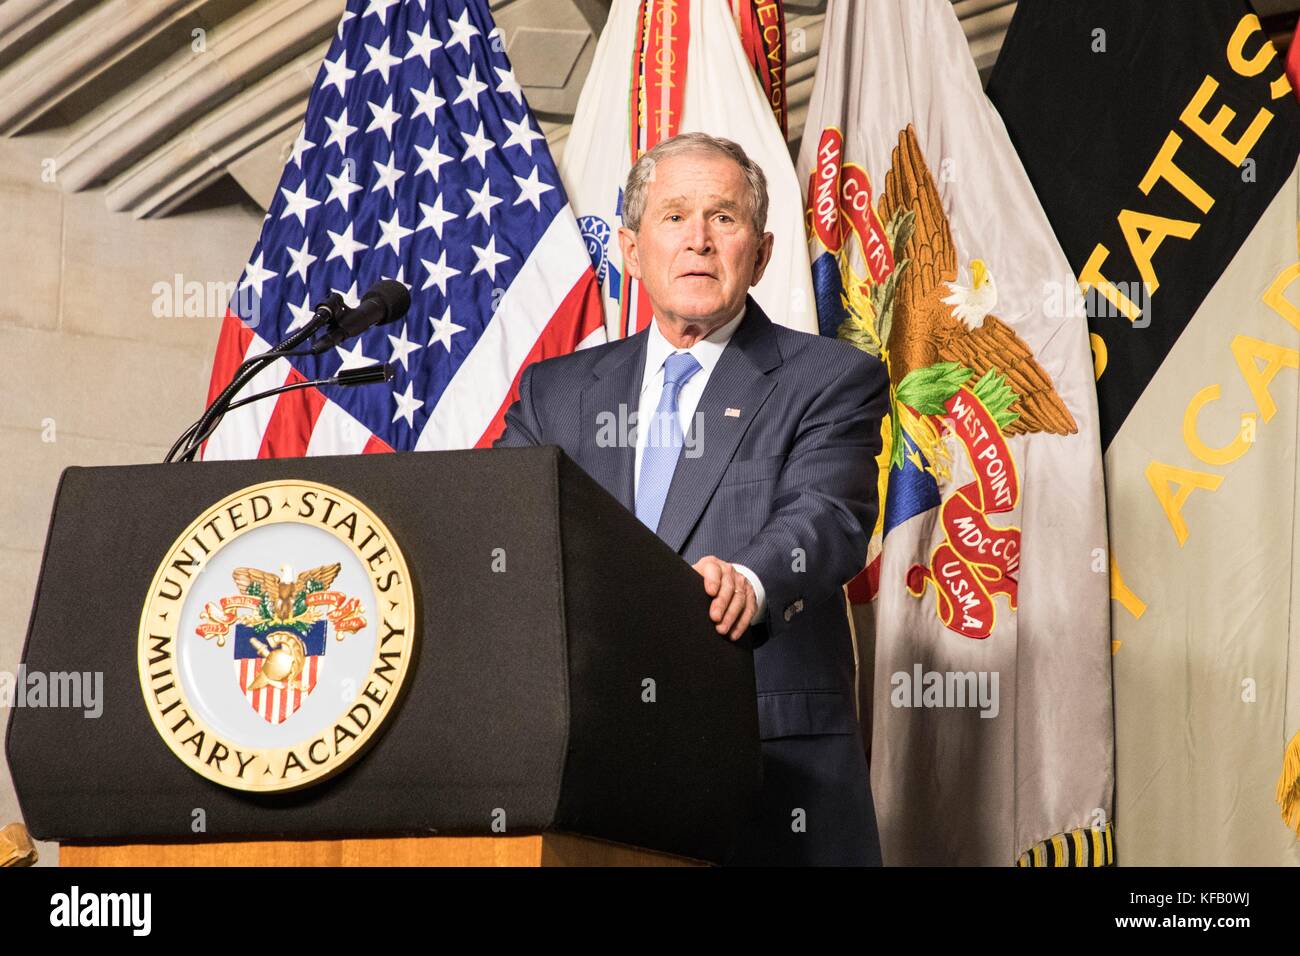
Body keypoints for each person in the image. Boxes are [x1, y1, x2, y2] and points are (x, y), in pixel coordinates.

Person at [495, 131, 888, 865]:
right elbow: (503, 524)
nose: (699, 241)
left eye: (725, 218)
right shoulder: (557, 393)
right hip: (593, 764)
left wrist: (750, 578)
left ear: (762, 253)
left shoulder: (831, 378)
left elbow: (827, 516)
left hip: (768, 763)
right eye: (674, 217)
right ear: (632, 248)